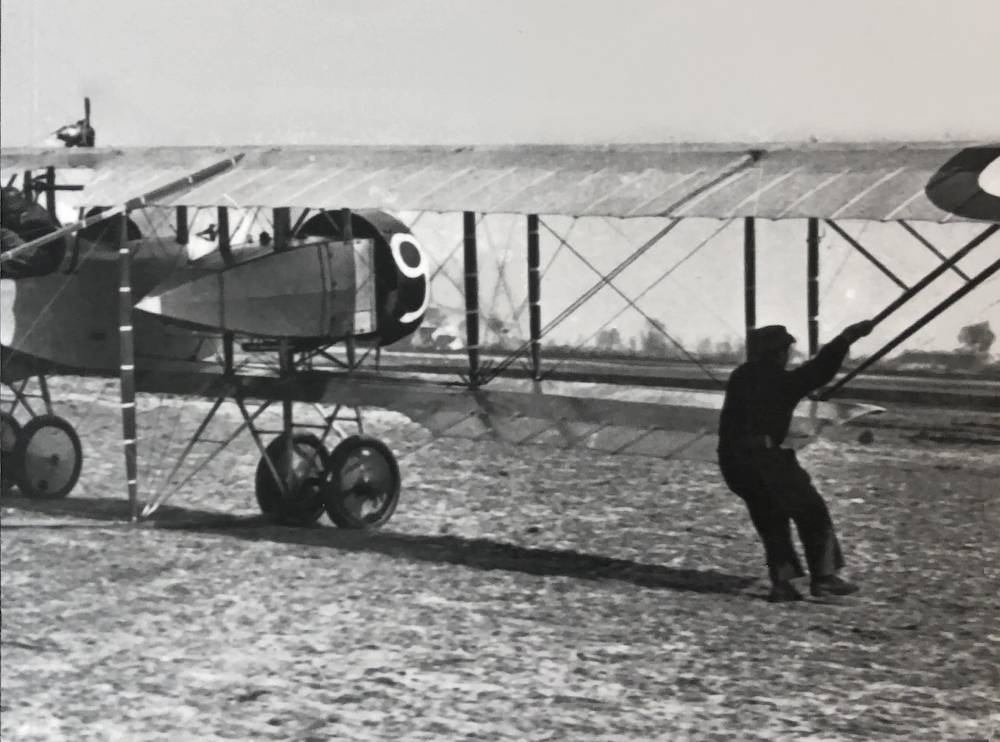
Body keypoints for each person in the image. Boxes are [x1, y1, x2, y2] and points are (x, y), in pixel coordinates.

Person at [717, 320, 874, 602]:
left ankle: (783, 583)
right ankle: (824, 578)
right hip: (767, 459)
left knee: (770, 518)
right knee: (813, 511)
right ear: (780, 353)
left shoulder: (740, 377)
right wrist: (847, 337)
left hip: (734, 462)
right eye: (786, 350)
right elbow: (820, 368)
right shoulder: (782, 382)